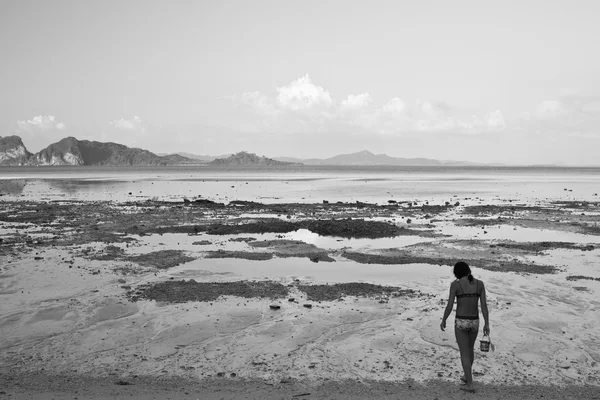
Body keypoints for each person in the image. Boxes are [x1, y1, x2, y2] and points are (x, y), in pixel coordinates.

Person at [440, 261, 489, 393]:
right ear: (468, 270)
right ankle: (466, 377)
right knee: (470, 350)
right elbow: (484, 306)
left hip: (461, 321)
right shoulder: (480, 284)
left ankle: (470, 384)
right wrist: (487, 323)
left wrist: (444, 319)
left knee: (464, 353)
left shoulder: (455, 285)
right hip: (475, 322)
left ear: (457, 273)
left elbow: (450, 305)